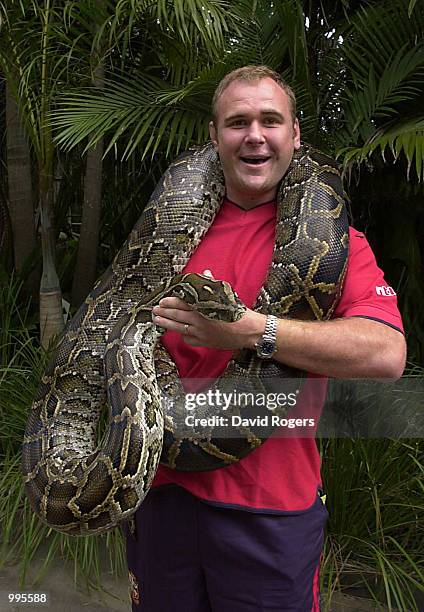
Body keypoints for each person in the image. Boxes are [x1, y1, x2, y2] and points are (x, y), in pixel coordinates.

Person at [124, 66, 406, 611]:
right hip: (160, 501)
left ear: (294, 135)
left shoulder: (338, 241)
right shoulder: (168, 233)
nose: (254, 134)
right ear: (214, 136)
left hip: (270, 511)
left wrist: (253, 330)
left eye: (270, 120)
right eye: (237, 122)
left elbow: (386, 354)